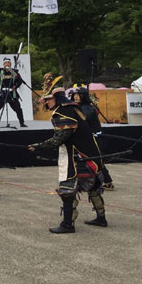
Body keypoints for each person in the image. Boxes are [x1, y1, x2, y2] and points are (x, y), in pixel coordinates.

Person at [28, 74, 107, 233]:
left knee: (68, 191)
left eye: (48, 99)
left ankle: (68, 224)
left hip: (79, 158)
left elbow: (59, 138)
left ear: (57, 98)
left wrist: (39, 146)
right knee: (93, 188)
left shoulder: (63, 112)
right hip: (90, 155)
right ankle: (101, 218)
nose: (46, 102)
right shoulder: (71, 108)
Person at [70, 84, 114, 190]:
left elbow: (81, 122)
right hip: (86, 139)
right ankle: (89, 181)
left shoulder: (87, 109)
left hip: (94, 139)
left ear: (83, 96)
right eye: (74, 95)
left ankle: (107, 182)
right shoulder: (78, 108)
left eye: (78, 95)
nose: (75, 97)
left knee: (96, 160)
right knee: (89, 160)